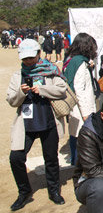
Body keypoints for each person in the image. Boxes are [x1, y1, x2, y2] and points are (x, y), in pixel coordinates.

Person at [7, 39, 66, 211]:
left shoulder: (51, 71)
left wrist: (43, 90)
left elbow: (61, 89)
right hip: (26, 123)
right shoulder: (18, 75)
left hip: (47, 120)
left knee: (51, 158)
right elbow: (11, 100)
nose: (29, 61)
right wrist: (21, 92)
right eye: (25, 58)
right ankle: (24, 191)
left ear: (39, 54)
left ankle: (54, 191)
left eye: (31, 57)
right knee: (16, 158)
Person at [63, 33, 98, 166]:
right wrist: (85, 113)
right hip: (80, 108)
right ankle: (80, 167)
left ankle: (74, 161)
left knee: (74, 136)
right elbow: (80, 89)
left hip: (73, 106)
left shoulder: (71, 59)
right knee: (82, 139)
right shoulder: (80, 63)